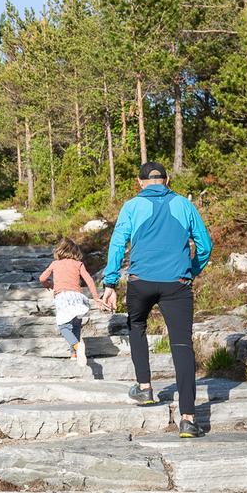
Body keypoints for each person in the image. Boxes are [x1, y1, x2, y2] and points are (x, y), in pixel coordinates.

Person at [99, 162, 213, 438]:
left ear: (140, 182)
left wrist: (110, 283)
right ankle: (188, 419)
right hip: (177, 284)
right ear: (167, 179)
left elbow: (118, 244)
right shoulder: (184, 205)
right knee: (182, 344)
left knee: (136, 325)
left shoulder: (131, 206)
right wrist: (189, 271)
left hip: (141, 281)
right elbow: (205, 246)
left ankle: (145, 388)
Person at [38, 238, 100, 362]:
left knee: (63, 326)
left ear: (59, 250)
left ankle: (76, 346)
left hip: (63, 298)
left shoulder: (55, 264)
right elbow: (89, 280)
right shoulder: (78, 264)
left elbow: (42, 278)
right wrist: (96, 297)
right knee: (76, 325)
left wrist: (49, 285)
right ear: (75, 251)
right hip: (77, 298)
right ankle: (74, 354)